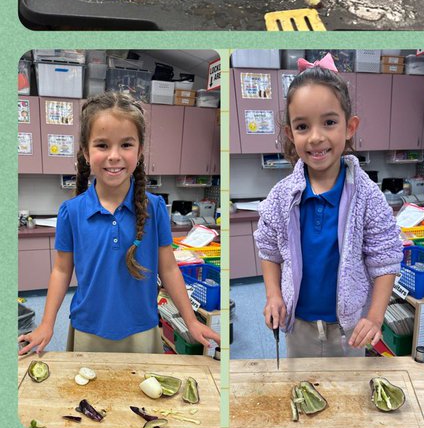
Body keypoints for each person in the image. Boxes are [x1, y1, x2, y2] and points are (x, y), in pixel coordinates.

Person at [18, 93, 219, 356]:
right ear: (86, 152)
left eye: (126, 144)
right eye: (102, 145)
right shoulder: (71, 212)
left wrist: (191, 321)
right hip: (88, 330)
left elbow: (168, 268)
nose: (114, 156)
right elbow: (61, 271)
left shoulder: (155, 208)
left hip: (141, 330)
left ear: (140, 150)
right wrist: (46, 324)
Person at [254, 58, 402, 358]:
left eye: (329, 122)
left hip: (350, 328)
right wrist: (273, 295)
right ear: (289, 133)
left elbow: (385, 260)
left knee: (348, 396)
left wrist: (373, 317)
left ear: (350, 127)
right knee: (304, 390)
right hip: (299, 326)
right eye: (303, 126)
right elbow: (268, 249)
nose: (316, 137)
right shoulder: (281, 196)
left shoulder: (368, 196)